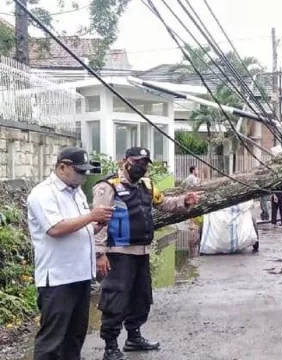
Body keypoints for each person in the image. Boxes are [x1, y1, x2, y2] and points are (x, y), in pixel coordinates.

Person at [92, 147, 202, 360]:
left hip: (142, 251)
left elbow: (165, 204)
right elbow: (100, 222)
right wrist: (100, 253)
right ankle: (110, 345)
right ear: (125, 161)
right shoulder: (108, 187)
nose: (140, 167)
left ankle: (134, 337)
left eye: (144, 163)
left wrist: (184, 201)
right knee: (116, 297)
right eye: (137, 162)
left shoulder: (147, 185)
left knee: (141, 297)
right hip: (118, 252)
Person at [26, 146, 114, 360]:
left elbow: (80, 228)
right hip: (58, 279)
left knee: (74, 337)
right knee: (52, 341)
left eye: (85, 172)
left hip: (80, 275)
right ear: (62, 167)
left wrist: (97, 225)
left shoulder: (76, 194)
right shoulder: (43, 193)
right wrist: (91, 216)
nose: (83, 176)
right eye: (79, 171)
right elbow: (55, 228)